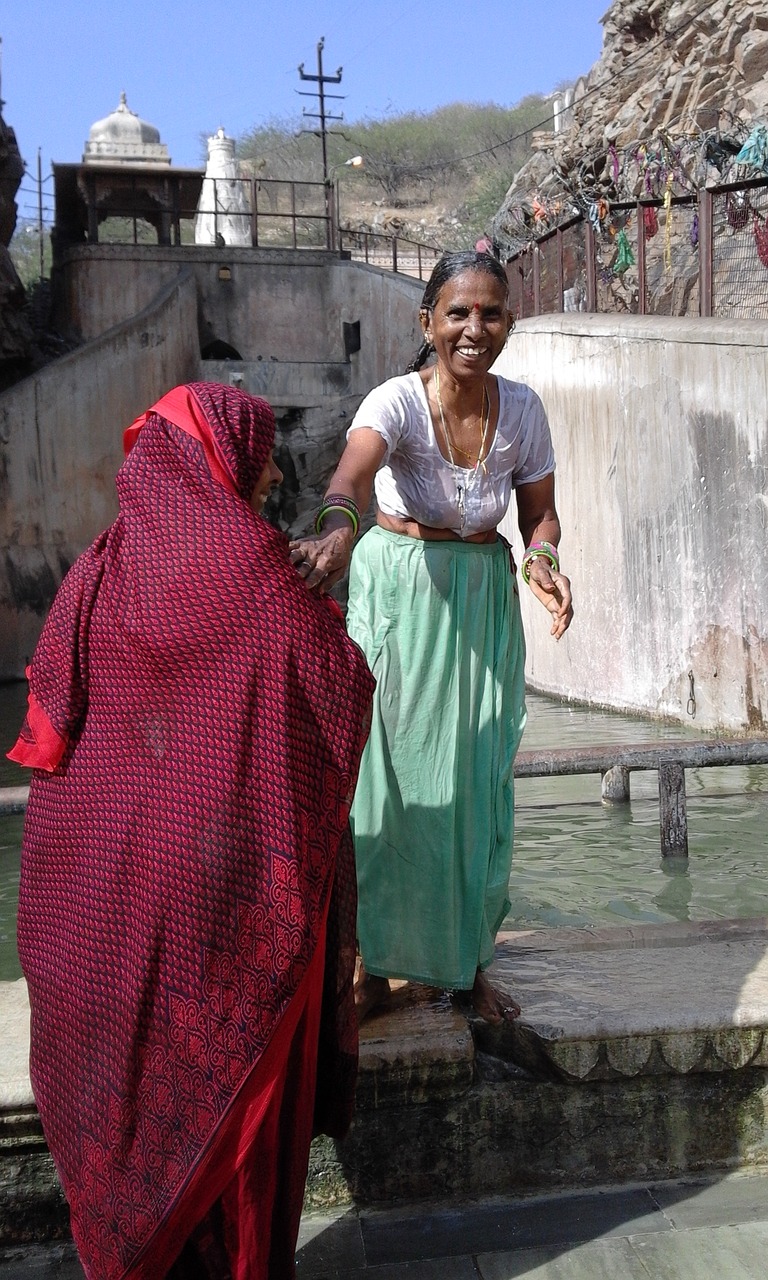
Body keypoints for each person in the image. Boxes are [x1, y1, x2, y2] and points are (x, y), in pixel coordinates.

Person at [8, 383, 374, 1280]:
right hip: (222, 887)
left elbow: (49, 728)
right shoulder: (257, 568)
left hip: (95, 896)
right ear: (235, 461)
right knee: (237, 1111)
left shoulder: (102, 564)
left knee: (134, 1107)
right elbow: (339, 686)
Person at [288, 250, 573, 1026]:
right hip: (403, 597)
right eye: (457, 313)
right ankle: (375, 970)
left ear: (509, 325)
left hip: (483, 603)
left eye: (490, 314)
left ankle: (467, 968)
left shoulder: (524, 411)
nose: (473, 329)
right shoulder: (397, 402)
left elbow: (538, 513)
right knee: (394, 788)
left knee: (480, 788)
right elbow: (349, 479)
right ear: (428, 323)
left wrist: (543, 557)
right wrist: (337, 536)